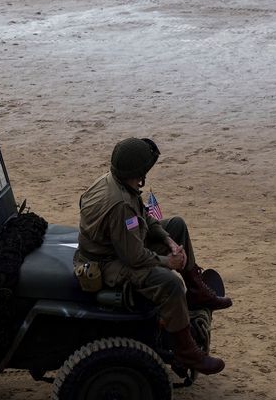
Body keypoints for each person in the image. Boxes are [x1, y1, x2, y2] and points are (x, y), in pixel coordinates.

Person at [75, 138, 231, 375]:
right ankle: (185, 350)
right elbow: (134, 258)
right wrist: (169, 262)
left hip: (121, 245)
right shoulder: (120, 205)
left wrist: (168, 239)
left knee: (176, 225)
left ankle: (197, 292)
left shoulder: (120, 182)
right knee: (168, 283)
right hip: (106, 262)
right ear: (138, 171)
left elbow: (144, 216)